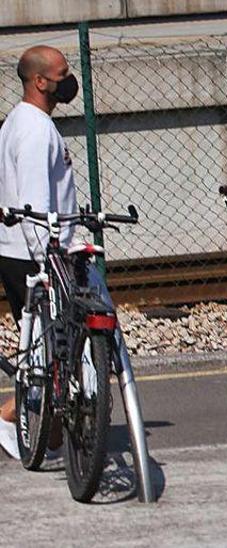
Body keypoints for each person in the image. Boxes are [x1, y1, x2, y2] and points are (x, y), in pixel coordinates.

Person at [0, 45, 80, 458]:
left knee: (48, 350)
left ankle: (48, 432)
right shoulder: (33, 130)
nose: (70, 81)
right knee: (57, 349)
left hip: (27, 254)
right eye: (63, 74)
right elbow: (32, 204)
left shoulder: (26, 122)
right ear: (41, 81)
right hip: (36, 256)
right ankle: (12, 417)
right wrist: (48, 265)